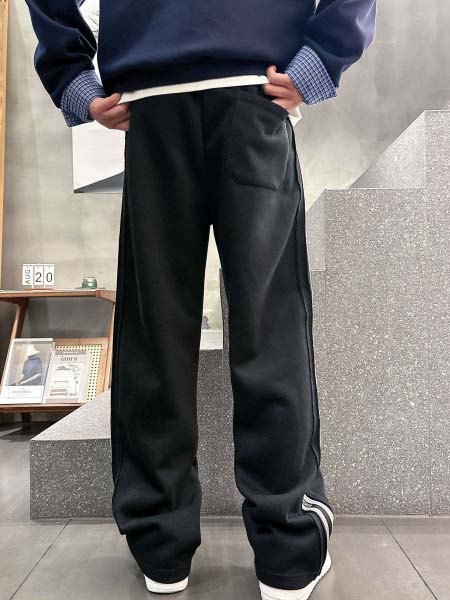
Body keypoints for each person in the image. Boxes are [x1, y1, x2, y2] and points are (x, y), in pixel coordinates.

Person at [24, 1, 377, 598]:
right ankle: (287, 551)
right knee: (271, 332)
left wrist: (74, 78)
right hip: (254, 91)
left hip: (155, 100)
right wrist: (323, 58)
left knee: (155, 336)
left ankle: (161, 548)